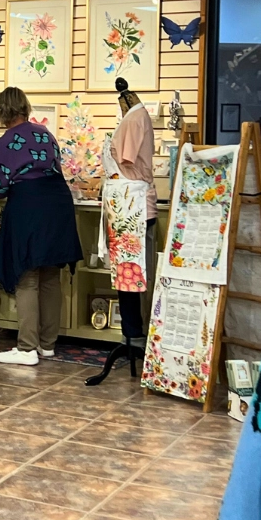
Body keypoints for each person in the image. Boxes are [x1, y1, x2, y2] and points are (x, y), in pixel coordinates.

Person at [0, 86, 83, 366]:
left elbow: (0, 188)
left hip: (29, 205)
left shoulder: (4, 143)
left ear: (2, 111)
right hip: (58, 202)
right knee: (51, 275)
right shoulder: (46, 134)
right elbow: (57, 169)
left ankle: (27, 348)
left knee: (27, 276)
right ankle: (47, 344)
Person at [109, 77, 156, 371]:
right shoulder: (139, 116)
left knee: (129, 275)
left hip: (132, 204)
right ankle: (132, 333)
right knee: (129, 274)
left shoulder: (134, 119)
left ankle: (133, 334)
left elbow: (125, 159)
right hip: (133, 202)